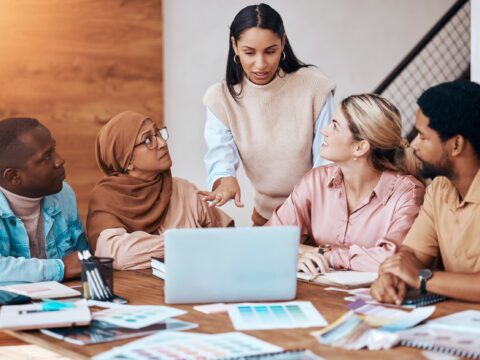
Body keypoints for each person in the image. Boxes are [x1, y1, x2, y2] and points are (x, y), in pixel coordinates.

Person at [199, 3, 336, 225]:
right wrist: (225, 180)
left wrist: (303, 213)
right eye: (249, 53)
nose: (260, 64)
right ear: (234, 46)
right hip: (267, 217)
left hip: (317, 215)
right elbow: (220, 155)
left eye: (270, 51)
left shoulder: (315, 88)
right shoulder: (220, 99)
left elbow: (326, 163)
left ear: (283, 42)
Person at [267, 94, 425, 273]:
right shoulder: (315, 182)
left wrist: (325, 254)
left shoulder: (408, 192)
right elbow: (269, 239)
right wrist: (297, 256)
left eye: (335, 126)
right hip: (321, 293)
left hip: (380, 297)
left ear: (360, 147)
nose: (324, 130)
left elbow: (394, 260)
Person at [370, 80, 480, 304]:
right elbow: (412, 254)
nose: (413, 144)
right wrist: (392, 276)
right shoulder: (439, 189)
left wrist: (422, 278)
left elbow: (418, 272)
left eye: (423, 136)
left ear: (456, 144)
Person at [87, 111, 233, 270]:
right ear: (126, 160)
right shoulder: (108, 197)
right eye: (148, 140)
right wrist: (191, 242)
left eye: (158, 133)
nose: (162, 143)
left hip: (192, 289)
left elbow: (228, 238)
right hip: (134, 292)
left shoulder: (184, 190)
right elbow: (117, 254)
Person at [0, 118, 89, 283]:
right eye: (47, 157)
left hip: (68, 302)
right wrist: (61, 267)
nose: (60, 160)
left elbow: (83, 259)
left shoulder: (64, 194)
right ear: (13, 177)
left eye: (54, 149)